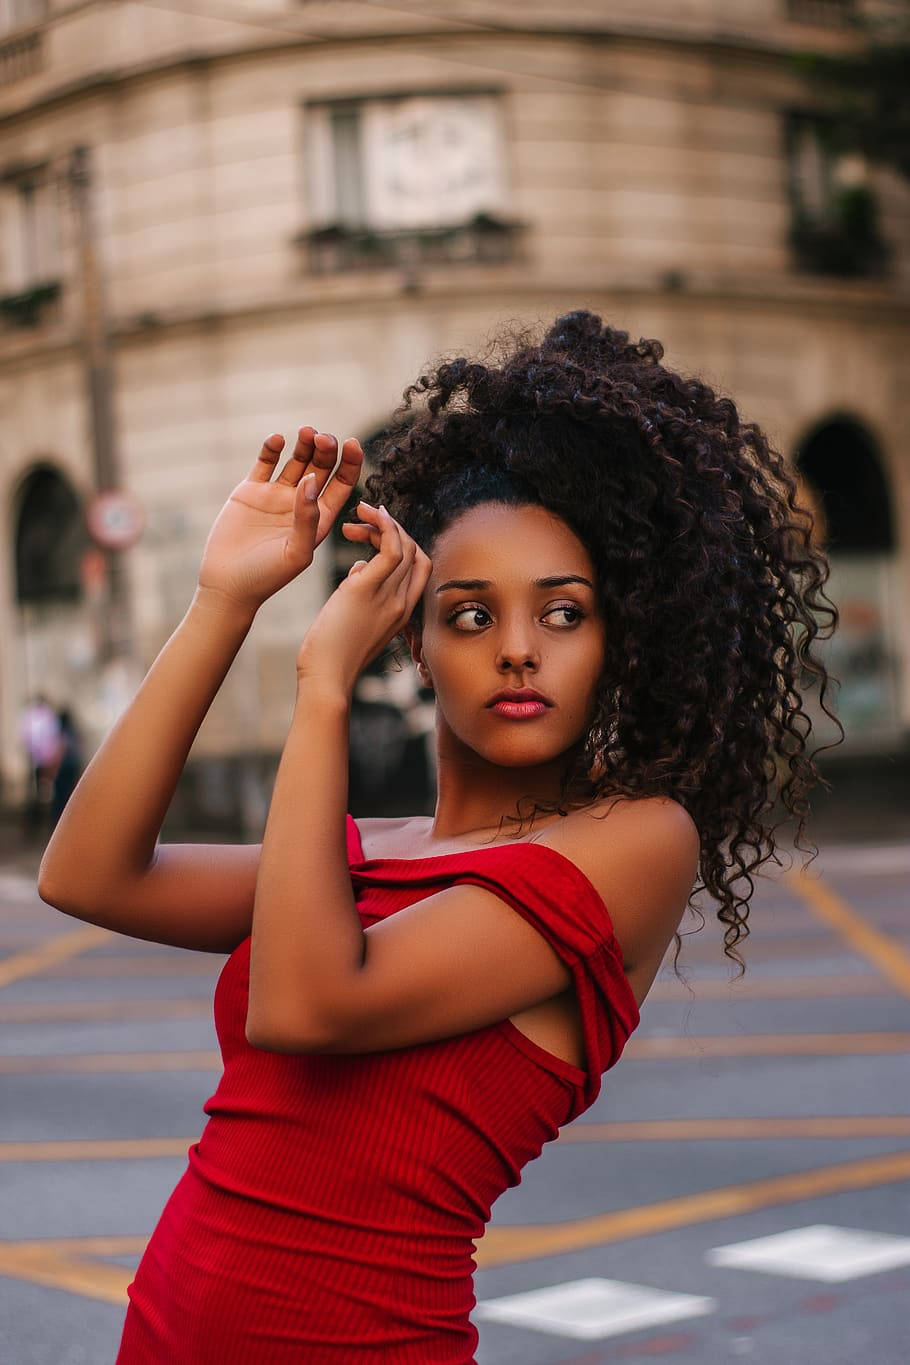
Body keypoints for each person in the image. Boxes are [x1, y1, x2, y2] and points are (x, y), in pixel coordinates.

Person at [37, 310, 840, 1363]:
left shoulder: (637, 842)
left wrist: (323, 691)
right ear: (411, 641)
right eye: (468, 614)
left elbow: (308, 1004)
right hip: (165, 1333)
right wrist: (222, 602)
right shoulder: (369, 854)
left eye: (562, 614)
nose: (516, 651)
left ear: (619, 640)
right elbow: (89, 874)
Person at [20, 693, 61, 836]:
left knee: (40, 793)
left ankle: (39, 825)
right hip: (42, 759)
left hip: (39, 759)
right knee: (43, 793)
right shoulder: (43, 716)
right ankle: (39, 825)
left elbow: (27, 737)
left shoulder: (31, 715)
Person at [51, 708, 83, 827]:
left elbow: (60, 751)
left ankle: (61, 823)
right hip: (72, 767)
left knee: (60, 797)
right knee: (68, 795)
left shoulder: (62, 733)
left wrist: (54, 769)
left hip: (64, 769)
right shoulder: (73, 733)